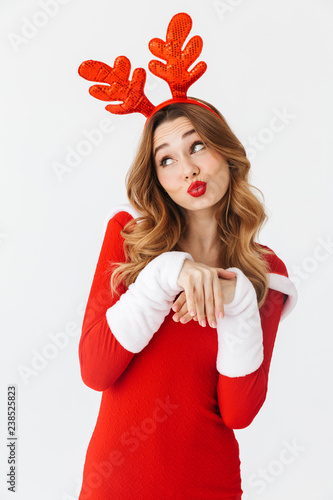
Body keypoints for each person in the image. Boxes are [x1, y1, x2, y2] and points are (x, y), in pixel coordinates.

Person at [77, 13, 297, 499]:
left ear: (225, 153)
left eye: (198, 145)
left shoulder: (264, 273)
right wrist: (165, 273)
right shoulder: (129, 240)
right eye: (167, 158)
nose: (188, 167)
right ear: (157, 177)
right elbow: (95, 370)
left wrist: (238, 299)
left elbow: (238, 413)